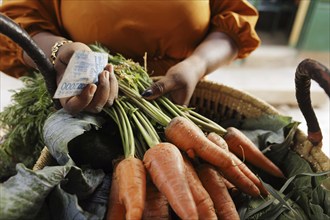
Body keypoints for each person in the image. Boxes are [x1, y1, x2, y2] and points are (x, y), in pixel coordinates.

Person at [0, 0, 260, 115]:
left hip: (179, 103)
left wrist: (197, 64)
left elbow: (234, 22)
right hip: (80, 103)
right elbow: (20, 23)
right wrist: (59, 52)